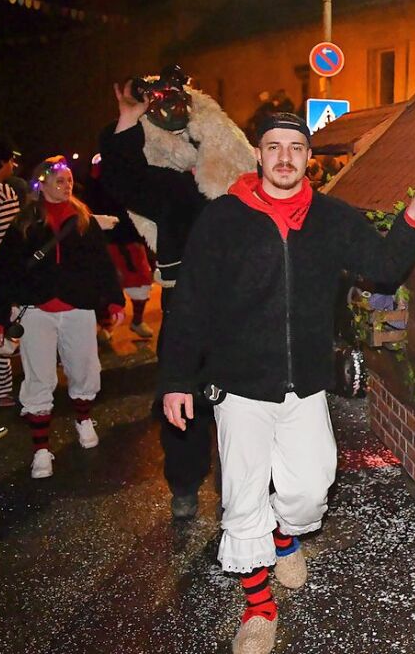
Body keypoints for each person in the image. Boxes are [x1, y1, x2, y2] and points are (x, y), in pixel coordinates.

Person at [159, 112, 415, 654]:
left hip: (304, 383)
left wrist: (411, 219)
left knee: (311, 490)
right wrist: (175, 378)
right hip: (238, 385)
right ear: (258, 155)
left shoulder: (330, 217)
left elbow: (382, 267)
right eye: (273, 147)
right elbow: (190, 302)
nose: (284, 157)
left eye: (295, 148)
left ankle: (285, 535)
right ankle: (259, 608)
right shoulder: (222, 219)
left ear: (308, 158)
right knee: (242, 499)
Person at [100, 75, 255, 519]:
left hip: (236, 313)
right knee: (182, 401)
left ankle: (241, 496)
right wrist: (129, 117)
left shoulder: (243, 190)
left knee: (243, 408)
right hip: (184, 311)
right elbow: (121, 177)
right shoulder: (171, 189)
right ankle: (185, 485)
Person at [0, 156, 125, 478]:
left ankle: (83, 420)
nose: (66, 186)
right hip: (36, 311)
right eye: (59, 180)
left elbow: (102, 266)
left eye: (68, 181)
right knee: (39, 378)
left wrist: (113, 301)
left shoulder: (83, 220)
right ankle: (41, 450)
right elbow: (5, 272)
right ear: (42, 184)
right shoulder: (24, 222)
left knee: (84, 369)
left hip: (77, 308)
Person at [85, 153, 155, 340]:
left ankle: (137, 321)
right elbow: (91, 200)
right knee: (105, 286)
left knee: (141, 281)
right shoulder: (97, 170)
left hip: (131, 237)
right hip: (105, 240)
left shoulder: (131, 172)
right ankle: (106, 326)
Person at [0, 140, 21, 407]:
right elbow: (8, 239)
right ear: (1, 163)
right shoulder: (2, 192)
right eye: (11, 161)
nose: (13, 166)